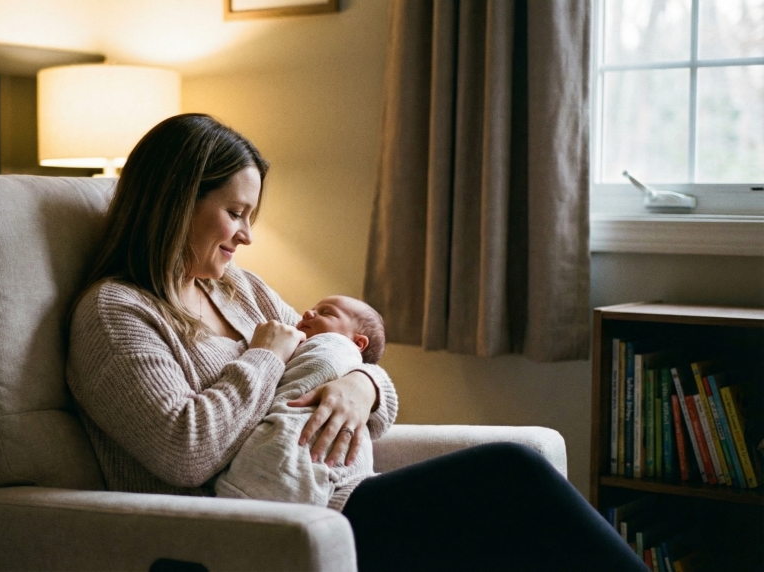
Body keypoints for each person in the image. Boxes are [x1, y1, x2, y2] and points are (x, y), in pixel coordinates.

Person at [66, 113, 646, 571]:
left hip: (331, 504)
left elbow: (341, 357)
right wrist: (264, 356)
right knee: (511, 477)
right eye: (235, 212)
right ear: (176, 202)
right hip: (244, 531)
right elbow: (184, 450)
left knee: (515, 523)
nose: (246, 235)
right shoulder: (115, 313)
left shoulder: (240, 290)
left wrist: (361, 383)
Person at [215, 295, 386, 507]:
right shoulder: (304, 339)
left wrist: (365, 382)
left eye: (326, 312)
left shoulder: (335, 347)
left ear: (357, 343)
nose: (307, 313)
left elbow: (343, 365)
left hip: (347, 482)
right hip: (290, 467)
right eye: (313, 308)